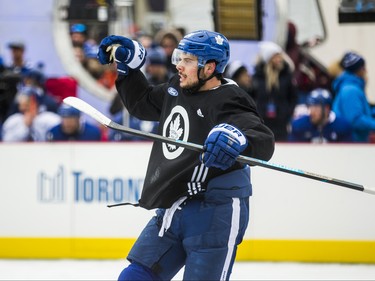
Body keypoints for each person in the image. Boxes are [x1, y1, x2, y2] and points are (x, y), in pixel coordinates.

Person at [97, 30, 275, 280]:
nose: (179, 65)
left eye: (188, 60)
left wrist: (238, 138)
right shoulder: (176, 88)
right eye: (179, 58)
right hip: (176, 203)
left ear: (209, 67)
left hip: (216, 211)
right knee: (134, 277)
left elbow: (262, 140)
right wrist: (129, 68)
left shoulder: (230, 99)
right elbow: (142, 103)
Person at [251, 41, 298, 142]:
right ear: (269, 58)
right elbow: (251, 97)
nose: (279, 59)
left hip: (281, 121)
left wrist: (287, 113)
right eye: (276, 56)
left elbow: (293, 97)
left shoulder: (286, 75)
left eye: (279, 56)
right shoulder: (257, 77)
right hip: (262, 121)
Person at [332, 51, 375, 142]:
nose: (366, 71)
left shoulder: (351, 88)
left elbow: (358, 112)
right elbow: (355, 120)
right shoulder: (351, 90)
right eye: (363, 68)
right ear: (358, 70)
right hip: (353, 143)